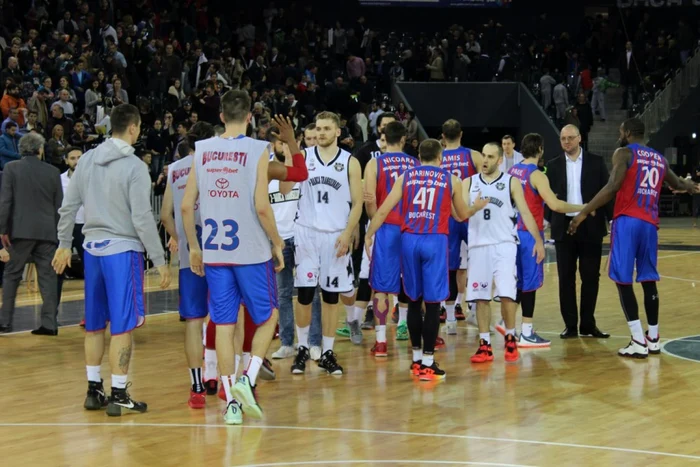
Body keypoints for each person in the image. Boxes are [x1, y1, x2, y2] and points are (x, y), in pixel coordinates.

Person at [52, 104, 171, 416]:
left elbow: (69, 207)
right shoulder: (134, 167)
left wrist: (64, 243)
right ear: (133, 128)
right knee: (122, 326)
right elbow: (143, 218)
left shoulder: (87, 160)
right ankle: (118, 391)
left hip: (92, 250)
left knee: (93, 324)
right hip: (122, 251)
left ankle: (94, 390)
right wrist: (160, 259)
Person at [181, 90, 283, 424]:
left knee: (223, 325)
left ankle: (231, 407)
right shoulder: (258, 149)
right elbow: (261, 206)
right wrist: (277, 241)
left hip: (214, 251)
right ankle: (247, 379)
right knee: (268, 316)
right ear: (250, 117)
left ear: (221, 116)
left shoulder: (202, 149)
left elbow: (186, 205)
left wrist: (194, 247)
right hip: (251, 251)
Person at [568, 118, 700, 357]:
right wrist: (690, 186)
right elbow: (678, 183)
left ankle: (637, 340)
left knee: (622, 278)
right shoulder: (659, 158)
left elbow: (612, 186)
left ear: (627, 133)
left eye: (621, 132)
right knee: (649, 278)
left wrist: (583, 213)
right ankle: (654, 338)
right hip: (650, 225)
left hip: (628, 221)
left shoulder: (624, 153)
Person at [365, 138, 487, 380]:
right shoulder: (450, 179)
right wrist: (476, 206)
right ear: (440, 158)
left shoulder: (406, 177)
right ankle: (429, 362)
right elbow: (461, 215)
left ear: (419, 156)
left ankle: (417, 359)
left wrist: (369, 235)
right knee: (432, 304)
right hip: (434, 240)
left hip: (409, 240)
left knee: (412, 301)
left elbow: (383, 210)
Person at [496, 133, 586, 347]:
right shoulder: (536, 175)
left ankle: (504, 321)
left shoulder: (512, 171)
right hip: (529, 234)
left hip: (511, 232)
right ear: (540, 150)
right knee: (529, 284)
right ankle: (526, 332)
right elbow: (555, 205)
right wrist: (583, 207)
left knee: (517, 282)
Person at [291, 111, 363, 376]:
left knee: (331, 295)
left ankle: (328, 351)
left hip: (335, 235)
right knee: (306, 293)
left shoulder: (349, 162)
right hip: (307, 233)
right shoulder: (303, 158)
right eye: (317, 129)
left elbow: (358, 203)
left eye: (325, 129)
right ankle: (302, 348)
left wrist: (348, 232)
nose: (320, 133)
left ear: (337, 132)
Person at [467, 142, 545, 364]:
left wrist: (538, 240)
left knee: (507, 294)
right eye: (483, 155)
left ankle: (511, 337)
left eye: (491, 157)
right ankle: (484, 345)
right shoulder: (469, 183)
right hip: (478, 245)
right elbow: (460, 213)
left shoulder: (511, 182)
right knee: (481, 297)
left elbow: (526, 213)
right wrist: (474, 208)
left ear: (500, 160)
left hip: (504, 244)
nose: (485, 160)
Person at [545, 125, 612, 339]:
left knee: (591, 276)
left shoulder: (596, 162)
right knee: (566, 278)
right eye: (563, 138)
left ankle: (588, 323)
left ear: (579, 138)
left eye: (570, 138)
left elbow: (608, 193)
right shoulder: (552, 165)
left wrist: (612, 220)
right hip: (563, 228)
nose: (566, 142)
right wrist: (547, 222)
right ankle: (570, 325)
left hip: (591, 226)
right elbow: (549, 199)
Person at [362, 121, 418, 357]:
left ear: (384, 138)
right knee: (415, 283)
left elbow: (370, 201)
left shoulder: (374, 163)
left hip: (386, 228)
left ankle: (382, 341)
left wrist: (376, 224)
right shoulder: (415, 164)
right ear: (404, 139)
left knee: (381, 287)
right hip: (411, 228)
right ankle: (413, 330)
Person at [0, 132, 63, 335]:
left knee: (11, 275)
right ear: (40, 149)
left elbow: (5, 202)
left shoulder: (11, 168)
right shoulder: (53, 172)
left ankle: (4, 321)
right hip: (47, 232)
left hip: (20, 231)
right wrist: (57, 232)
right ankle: (49, 324)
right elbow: (59, 206)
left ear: (21, 149)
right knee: (48, 278)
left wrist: (3, 230)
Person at [439, 119, 483, 332]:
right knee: (477, 261)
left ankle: (449, 320)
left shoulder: (438, 157)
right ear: (461, 134)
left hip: (447, 217)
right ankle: (473, 309)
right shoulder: (473, 155)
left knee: (449, 268)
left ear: (443, 136)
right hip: (469, 215)